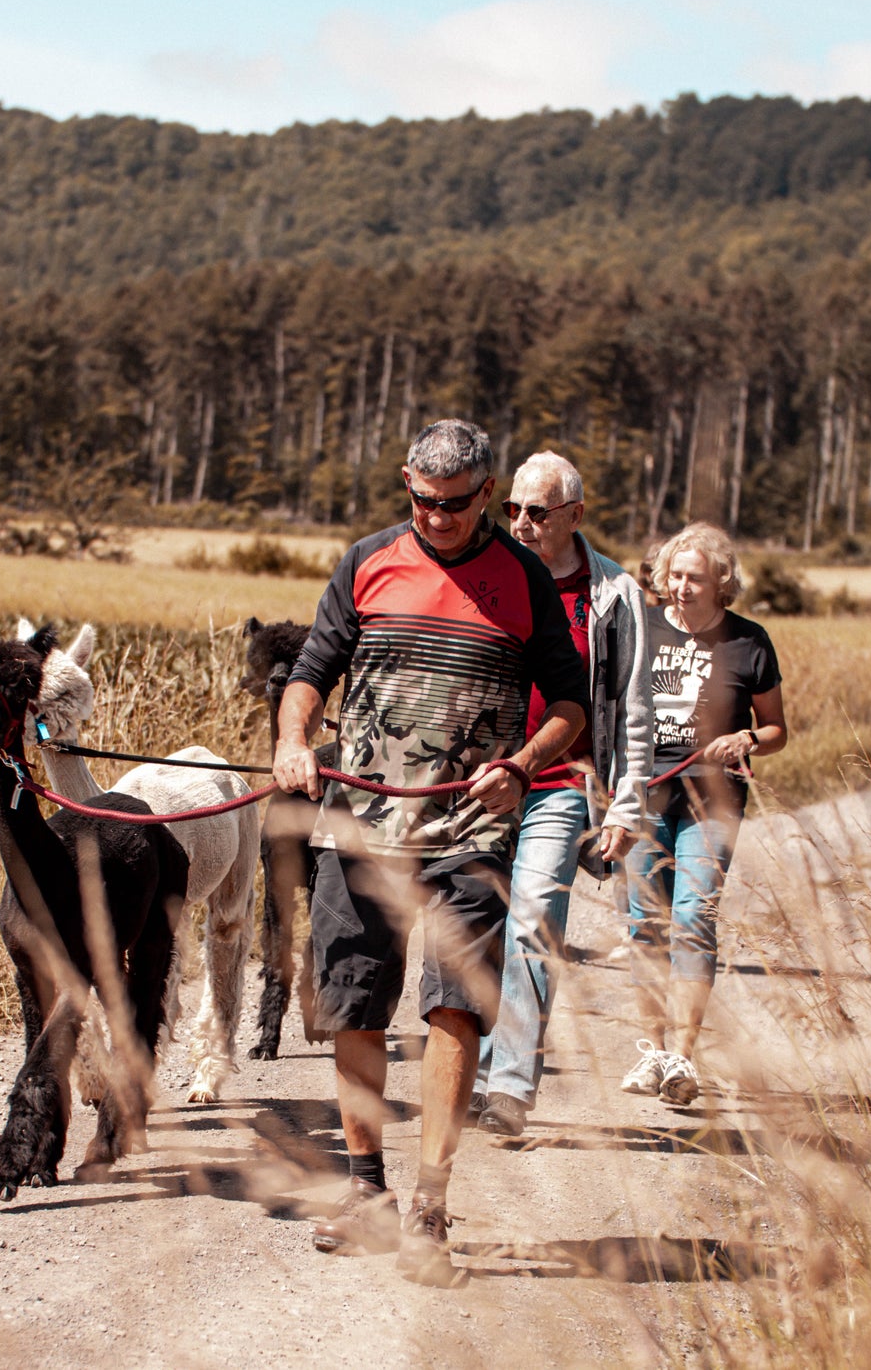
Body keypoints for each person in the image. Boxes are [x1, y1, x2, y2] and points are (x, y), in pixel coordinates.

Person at [273, 419, 589, 1287]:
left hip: (470, 831)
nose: (437, 517)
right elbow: (311, 669)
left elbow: (570, 702)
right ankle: (366, 1190)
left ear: (485, 494)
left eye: (454, 504)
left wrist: (522, 767)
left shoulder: (523, 579)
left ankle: (430, 1206)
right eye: (422, 499)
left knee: (454, 1008)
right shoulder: (366, 560)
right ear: (405, 480)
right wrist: (293, 739)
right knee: (354, 1004)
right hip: (364, 821)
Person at [471, 451, 653, 1138]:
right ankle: (474, 1068)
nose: (520, 523)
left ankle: (508, 1085)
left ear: (574, 515)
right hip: (481, 781)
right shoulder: (488, 572)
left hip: (562, 781)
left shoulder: (612, 593)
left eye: (536, 512)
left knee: (531, 921)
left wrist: (628, 801)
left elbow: (632, 702)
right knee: (477, 927)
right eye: (511, 508)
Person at [620, 522, 788, 1106]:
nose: (681, 587)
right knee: (646, 923)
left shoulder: (749, 641)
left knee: (693, 916)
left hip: (713, 800)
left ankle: (682, 1061)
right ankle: (652, 1051)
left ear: (722, 582)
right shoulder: (641, 628)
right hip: (645, 794)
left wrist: (747, 738)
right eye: (674, 575)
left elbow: (776, 731)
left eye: (694, 577)